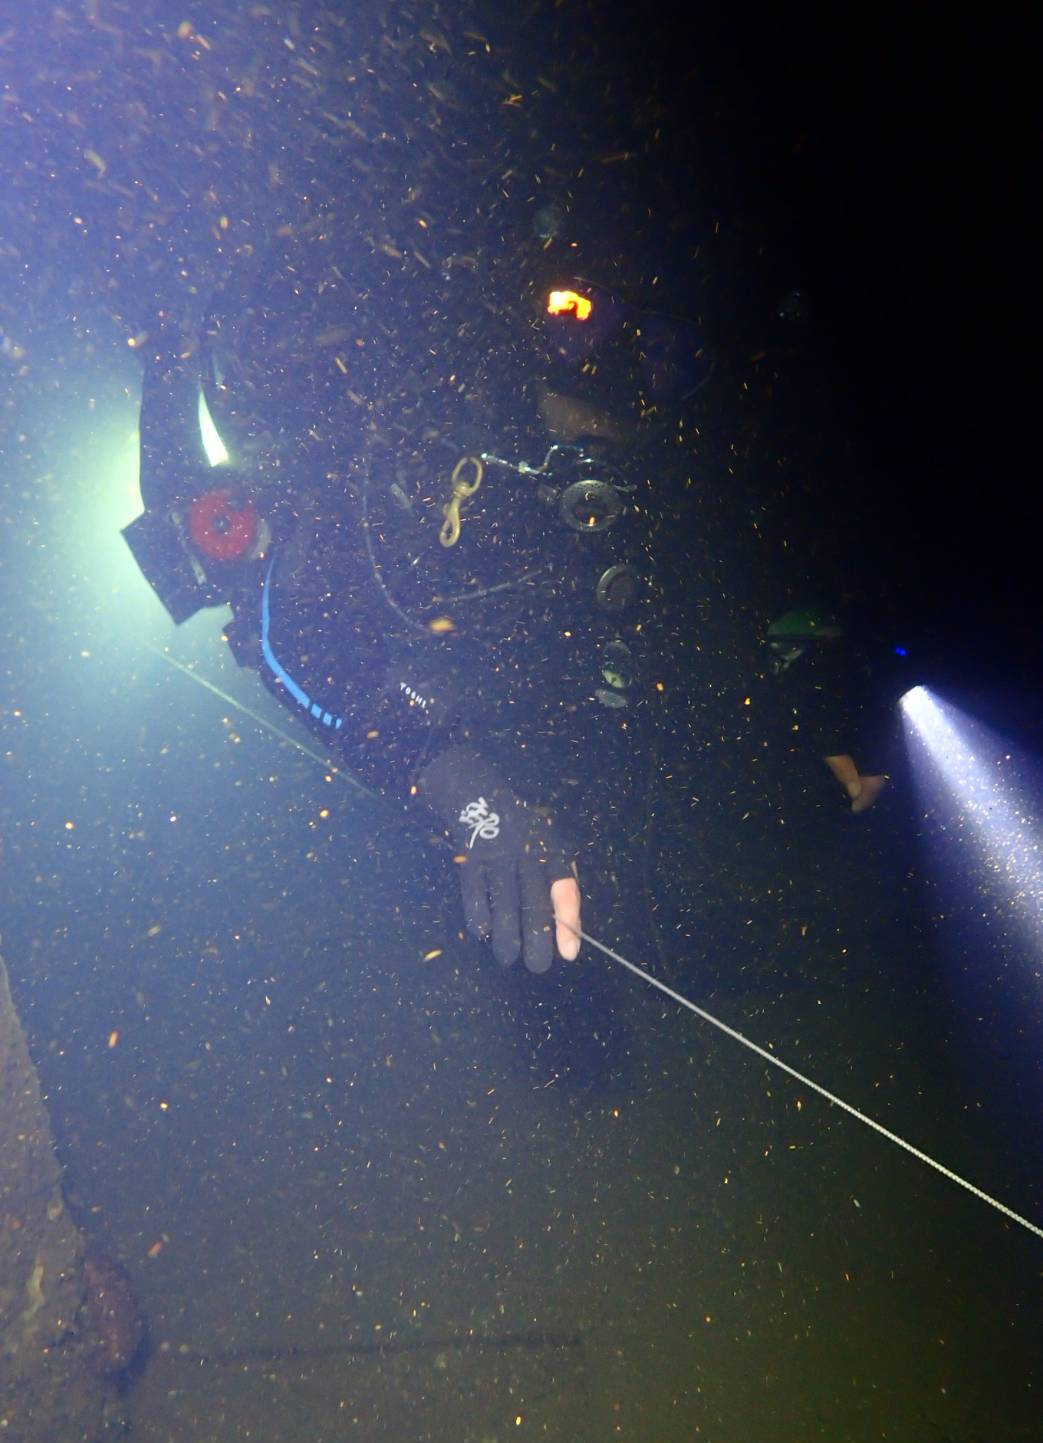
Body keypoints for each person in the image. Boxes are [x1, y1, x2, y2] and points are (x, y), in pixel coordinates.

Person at [123, 241, 710, 973]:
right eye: (582, 325)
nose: (617, 377)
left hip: (500, 716)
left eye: (665, 360)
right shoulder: (400, 436)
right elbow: (293, 640)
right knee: (197, 540)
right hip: (408, 701)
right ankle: (164, 345)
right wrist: (465, 793)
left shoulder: (630, 515)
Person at [764, 606, 890, 813]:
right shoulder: (819, 687)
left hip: (818, 797)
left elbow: (830, 741)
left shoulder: (818, 689)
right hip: (818, 793)